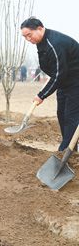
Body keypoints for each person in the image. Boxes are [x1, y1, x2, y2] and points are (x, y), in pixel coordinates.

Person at [21, 17, 79, 151]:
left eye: (29, 35)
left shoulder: (55, 43)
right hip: (65, 83)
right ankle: (72, 149)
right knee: (62, 115)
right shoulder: (42, 42)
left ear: (40, 28)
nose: (28, 40)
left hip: (76, 82)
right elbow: (55, 72)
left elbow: (59, 74)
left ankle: (65, 152)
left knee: (71, 117)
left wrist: (42, 95)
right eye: (25, 37)